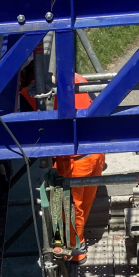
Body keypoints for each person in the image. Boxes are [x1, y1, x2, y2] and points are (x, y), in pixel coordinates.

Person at [54, 82, 106, 263]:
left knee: (69, 208)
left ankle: (76, 248)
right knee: (84, 202)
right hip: (95, 152)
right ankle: (76, 243)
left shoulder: (38, 93)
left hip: (74, 162)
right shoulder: (77, 78)